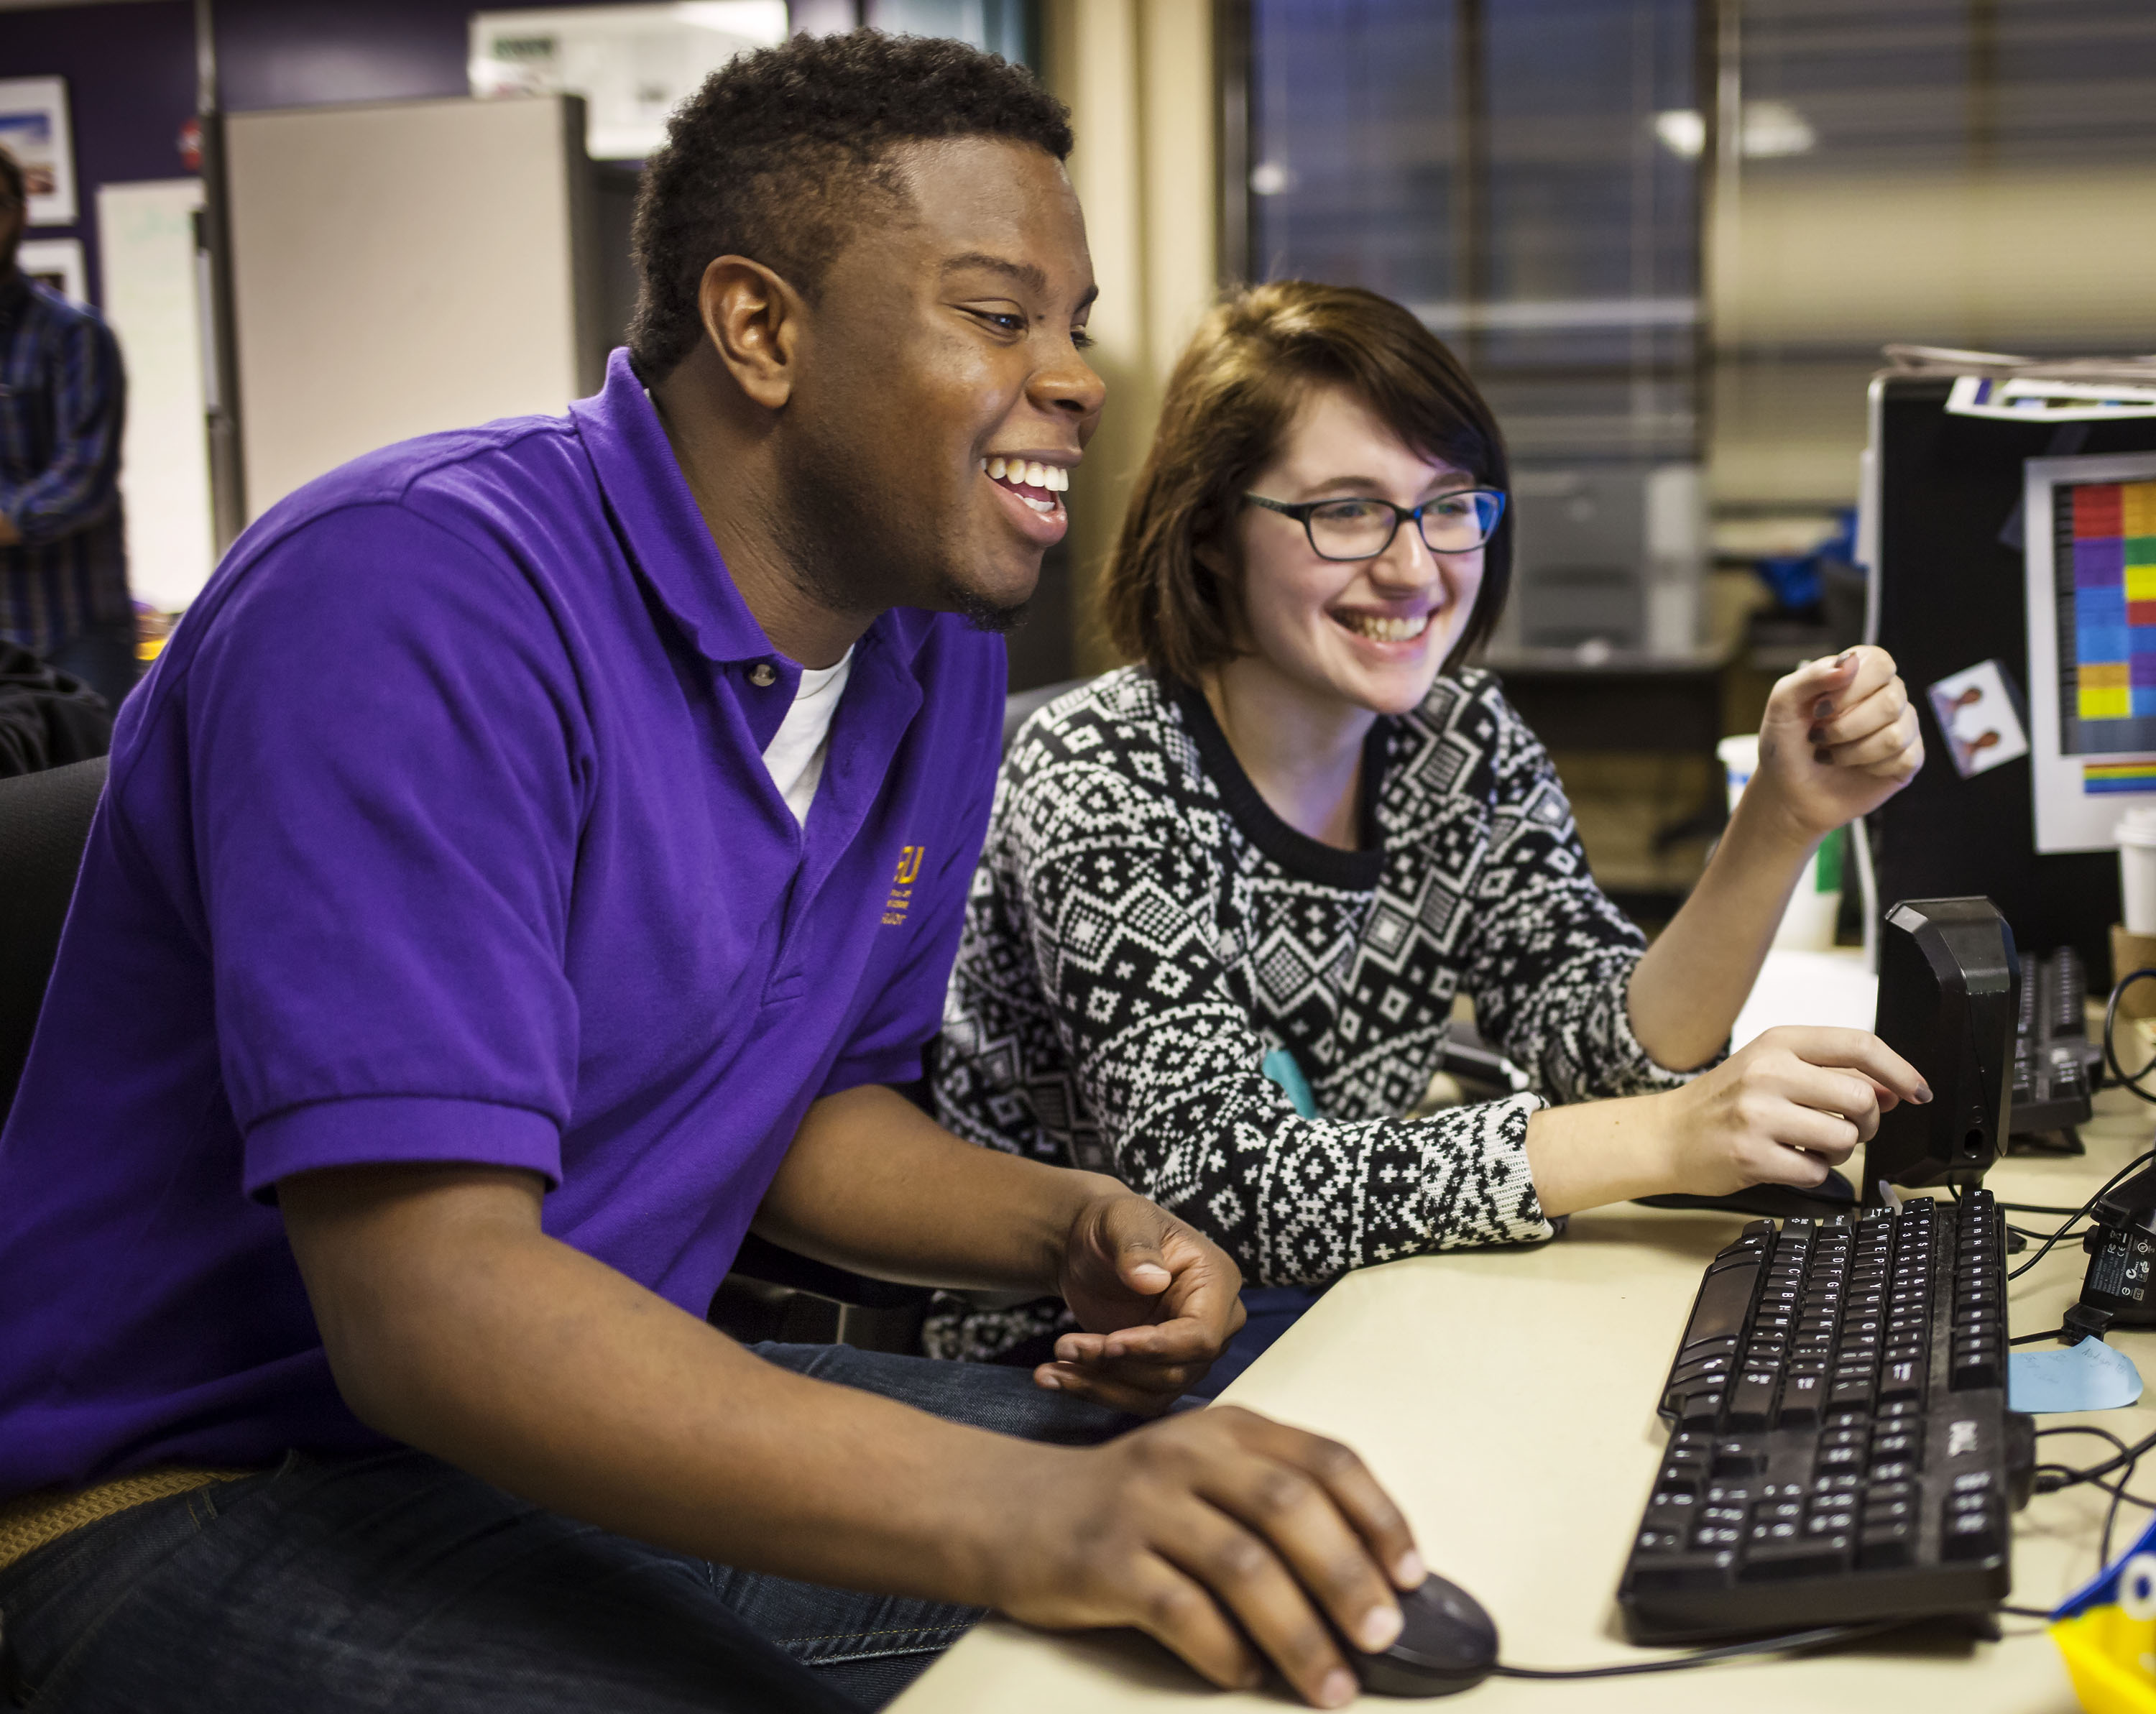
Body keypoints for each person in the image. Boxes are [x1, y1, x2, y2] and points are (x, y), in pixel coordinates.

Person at [0, 41, 1430, 1714]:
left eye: (1076, 323)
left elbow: (807, 1114)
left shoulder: (929, 643)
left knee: (1315, 1519)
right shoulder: (408, 598)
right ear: (759, 328)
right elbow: (431, 1306)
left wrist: (1069, 1222)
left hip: (580, 1431)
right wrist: (1035, 1513)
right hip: (190, 1483)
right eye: (995, 315)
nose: (1075, 378)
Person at [930, 280, 1928, 1380]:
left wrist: (1780, 820)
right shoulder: (1099, 769)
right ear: (1211, 532)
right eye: (1347, 510)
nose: (1414, 568)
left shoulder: (1462, 739)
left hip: (1345, 1302)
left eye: (1448, 504)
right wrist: (1669, 1134)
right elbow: (1224, 1187)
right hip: (1081, 1365)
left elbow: (1603, 1047)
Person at [0, 142, 135, 711]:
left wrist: (8, 521)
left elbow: (85, 477)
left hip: (76, 625)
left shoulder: (73, 334)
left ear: (19, 211)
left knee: (98, 787)